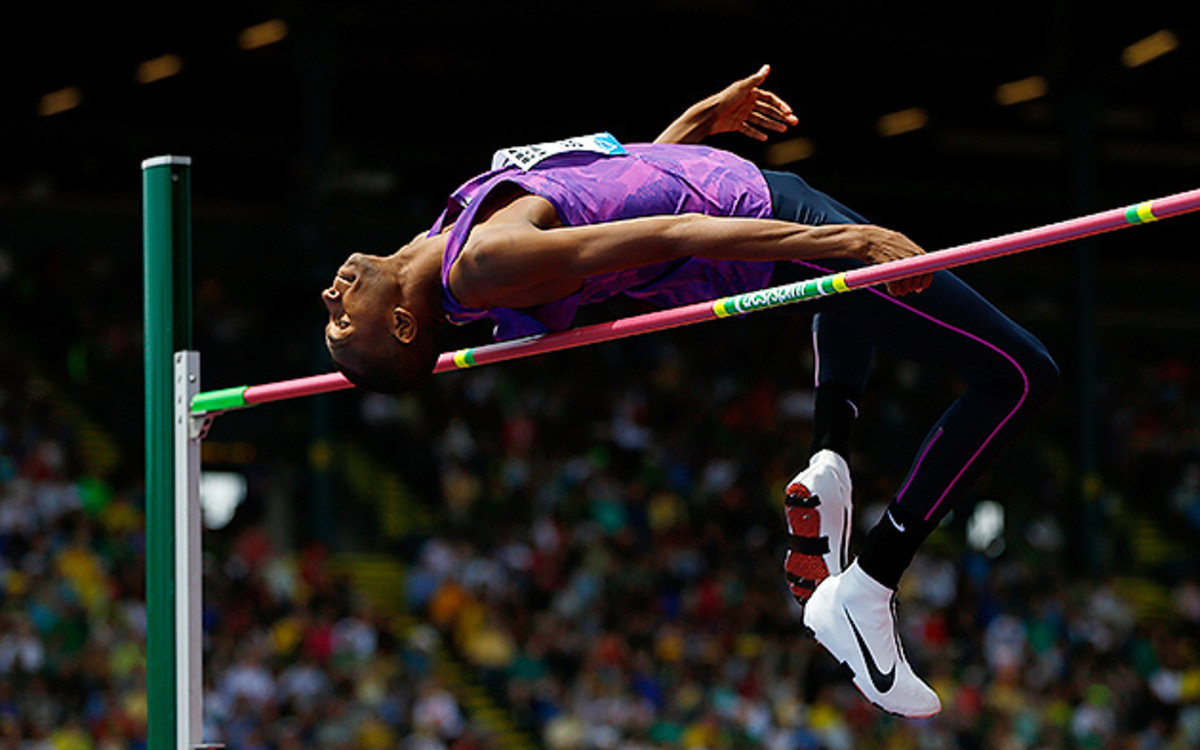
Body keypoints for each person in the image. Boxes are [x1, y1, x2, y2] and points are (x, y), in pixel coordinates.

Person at [321, 65, 1058, 718]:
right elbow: (670, 233)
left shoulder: (452, 226)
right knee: (1020, 376)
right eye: (341, 323)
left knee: (862, 311)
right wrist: (851, 247)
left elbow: (613, 184)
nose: (332, 295)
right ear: (404, 327)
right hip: (764, 226)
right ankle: (870, 585)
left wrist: (699, 125)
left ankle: (830, 461)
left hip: (762, 199)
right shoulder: (484, 261)